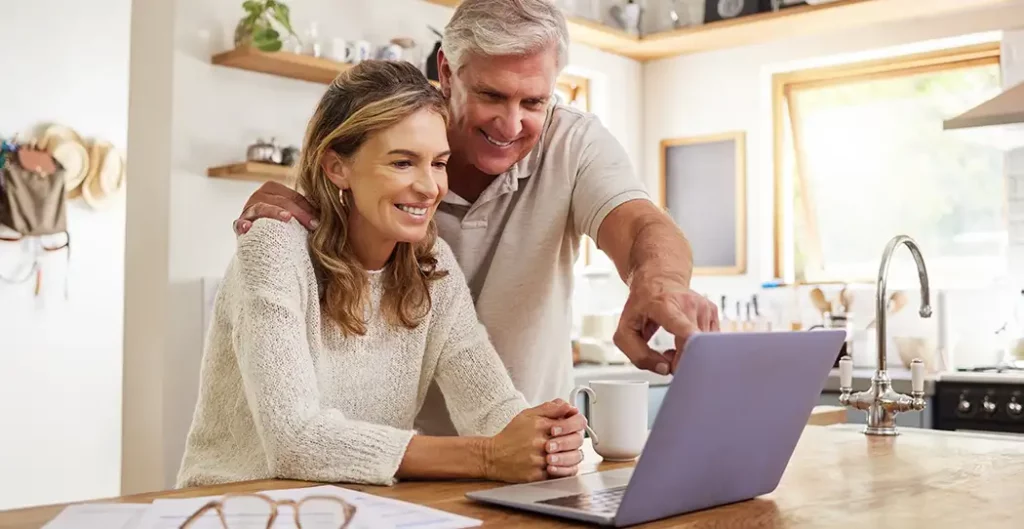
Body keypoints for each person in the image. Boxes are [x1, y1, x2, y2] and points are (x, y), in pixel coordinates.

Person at [232, 0, 720, 437]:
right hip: (380, 456)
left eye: (534, 102)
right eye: (491, 95)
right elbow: (296, 429)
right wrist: (304, 209)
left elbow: (638, 223)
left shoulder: (573, 143)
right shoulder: (395, 134)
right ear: (446, 70)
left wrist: (660, 282)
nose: (511, 125)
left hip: (514, 439)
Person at [176, 60, 587, 489]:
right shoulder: (275, 246)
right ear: (337, 167)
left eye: (439, 163)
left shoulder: (433, 266)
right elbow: (295, 439)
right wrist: (488, 456)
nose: (430, 188)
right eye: (403, 163)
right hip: (236, 509)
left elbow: (491, 409)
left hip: (357, 510)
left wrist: (544, 437)